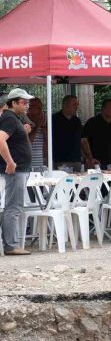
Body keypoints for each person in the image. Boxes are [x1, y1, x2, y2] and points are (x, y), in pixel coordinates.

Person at [0, 89, 34, 255]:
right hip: (15, 170)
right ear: (13, 103)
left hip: (20, 169)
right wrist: (10, 162)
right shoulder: (9, 118)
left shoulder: (14, 119)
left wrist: (24, 132)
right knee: (13, 207)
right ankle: (11, 245)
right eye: (24, 102)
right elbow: (0, 139)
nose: (27, 105)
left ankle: (11, 244)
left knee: (14, 207)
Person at [81, 99, 111, 170]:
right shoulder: (92, 123)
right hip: (96, 163)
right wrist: (90, 158)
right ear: (103, 109)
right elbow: (84, 142)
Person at [52, 95, 82, 170]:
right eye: (74, 104)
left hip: (76, 160)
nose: (76, 107)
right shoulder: (54, 119)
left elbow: (82, 139)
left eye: (77, 104)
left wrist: (88, 156)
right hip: (60, 160)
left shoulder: (77, 121)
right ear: (65, 105)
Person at [27, 97, 47, 169]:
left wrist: (44, 127)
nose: (40, 110)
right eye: (37, 107)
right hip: (26, 164)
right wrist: (38, 126)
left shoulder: (44, 122)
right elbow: (28, 142)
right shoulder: (24, 122)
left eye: (40, 108)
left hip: (40, 163)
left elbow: (48, 142)